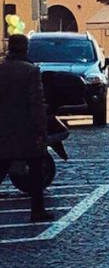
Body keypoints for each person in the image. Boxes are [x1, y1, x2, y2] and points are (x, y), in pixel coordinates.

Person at [0, 34, 52, 220]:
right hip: (26, 130)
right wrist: (41, 129)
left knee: (2, 165)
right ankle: (37, 211)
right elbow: (36, 103)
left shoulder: (1, 69)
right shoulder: (31, 71)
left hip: (3, 129)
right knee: (36, 170)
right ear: (25, 48)